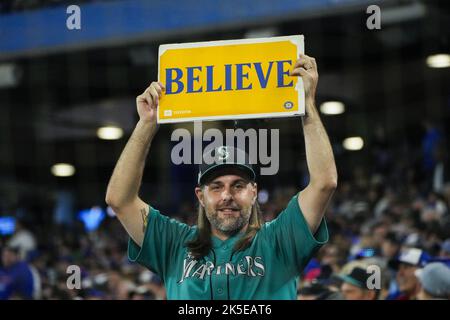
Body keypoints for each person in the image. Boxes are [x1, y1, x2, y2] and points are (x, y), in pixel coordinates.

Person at [105, 53, 338, 299]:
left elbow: (324, 183)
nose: (227, 195)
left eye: (238, 185)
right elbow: (120, 200)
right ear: (201, 196)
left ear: (254, 191)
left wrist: (307, 106)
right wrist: (146, 123)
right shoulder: (174, 244)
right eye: (216, 187)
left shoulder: (280, 240)